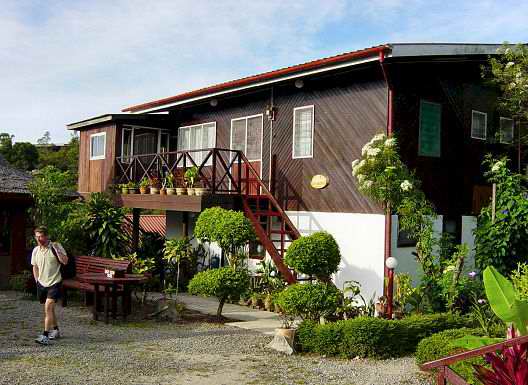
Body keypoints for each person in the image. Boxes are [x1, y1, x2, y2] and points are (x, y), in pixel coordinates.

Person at [31, 226, 68, 345]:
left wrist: (57, 250)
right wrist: (37, 281)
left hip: (55, 282)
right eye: (37, 237)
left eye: (41, 236)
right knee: (50, 310)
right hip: (42, 284)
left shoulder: (55, 246)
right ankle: (56, 330)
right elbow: (35, 266)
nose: (39, 239)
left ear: (46, 236)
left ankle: (45, 335)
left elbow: (65, 261)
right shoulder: (36, 250)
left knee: (48, 307)